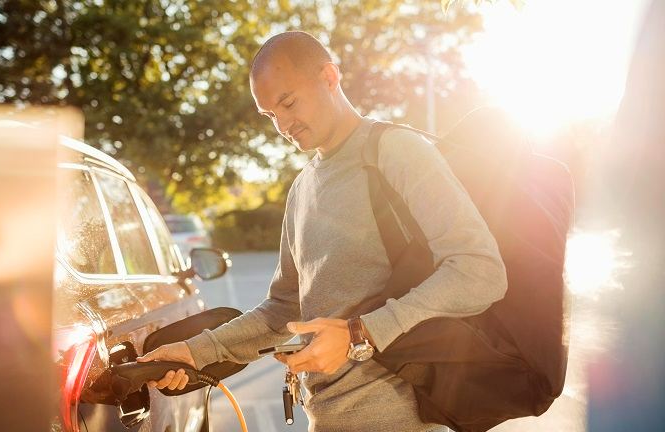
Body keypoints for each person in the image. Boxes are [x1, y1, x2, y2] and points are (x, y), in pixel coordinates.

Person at [138, 31, 507, 432]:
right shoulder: (302, 188)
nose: (282, 124)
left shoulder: (396, 151)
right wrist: (193, 353)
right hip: (326, 420)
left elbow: (480, 271)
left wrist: (359, 333)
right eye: (270, 115)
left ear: (330, 77)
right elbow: (283, 310)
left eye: (288, 102)